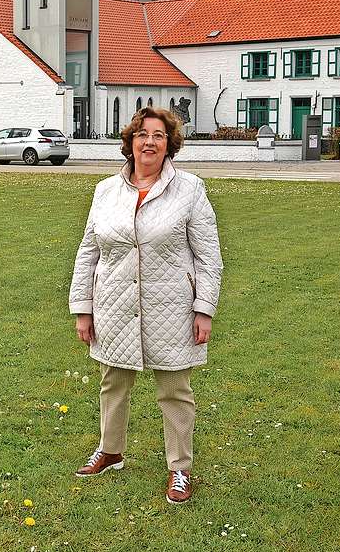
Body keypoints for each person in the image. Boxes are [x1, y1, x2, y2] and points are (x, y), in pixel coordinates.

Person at [69, 106, 223, 504]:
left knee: (175, 388)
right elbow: (88, 251)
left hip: (171, 305)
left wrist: (204, 307)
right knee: (113, 381)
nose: (149, 141)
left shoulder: (190, 189)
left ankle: (180, 469)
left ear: (169, 142)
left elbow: (208, 255)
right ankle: (111, 450)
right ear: (130, 143)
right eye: (141, 134)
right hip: (114, 304)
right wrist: (83, 307)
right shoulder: (105, 191)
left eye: (157, 135)